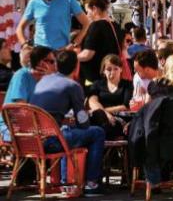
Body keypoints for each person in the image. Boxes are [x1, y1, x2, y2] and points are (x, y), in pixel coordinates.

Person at [31, 50, 105, 195]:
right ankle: (91, 184)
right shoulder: (72, 86)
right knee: (97, 132)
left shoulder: (43, 80)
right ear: (77, 67)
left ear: (57, 65)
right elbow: (83, 122)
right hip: (52, 141)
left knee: (66, 132)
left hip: (31, 140)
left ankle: (67, 181)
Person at [16, 0, 89, 51]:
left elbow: (86, 23)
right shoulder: (34, 2)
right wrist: (24, 45)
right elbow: (19, 28)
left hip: (61, 51)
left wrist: (73, 43)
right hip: (40, 52)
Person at [0, 46, 56, 141]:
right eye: (51, 61)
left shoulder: (47, 81)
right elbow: (20, 110)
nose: (55, 65)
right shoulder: (22, 75)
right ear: (41, 63)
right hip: (12, 130)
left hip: (34, 130)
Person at [78, 0, 124, 85]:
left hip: (96, 79)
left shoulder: (96, 26)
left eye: (88, 11)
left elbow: (88, 55)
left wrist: (72, 57)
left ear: (94, 9)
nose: (87, 15)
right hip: (112, 77)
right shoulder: (116, 26)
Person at [87, 54, 133, 139]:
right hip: (100, 118)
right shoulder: (97, 84)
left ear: (121, 69)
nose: (112, 72)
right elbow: (92, 101)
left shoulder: (127, 85)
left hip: (119, 119)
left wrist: (103, 111)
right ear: (103, 71)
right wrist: (106, 114)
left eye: (116, 68)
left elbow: (125, 106)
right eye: (108, 69)